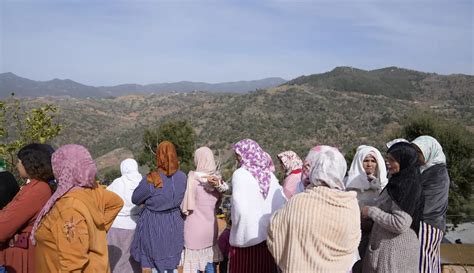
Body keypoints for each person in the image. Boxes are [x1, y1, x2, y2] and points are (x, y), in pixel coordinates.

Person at [268, 145, 361, 273]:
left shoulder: (298, 201)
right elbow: (353, 240)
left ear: (315, 170)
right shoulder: (350, 203)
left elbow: (275, 231)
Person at [31, 144, 124, 273]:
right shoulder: (93, 190)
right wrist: (95, 233)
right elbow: (116, 202)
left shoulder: (69, 206)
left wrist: (92, 233)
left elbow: (72, 264)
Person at [361, 142, 423, 273]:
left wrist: (371, 211)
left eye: (392, 160)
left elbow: (400, 223)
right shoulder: (397, 182)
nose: (388, 163)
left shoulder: (406, 186)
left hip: (395, 258)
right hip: (387, 255)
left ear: (405, 161)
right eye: (387, 159)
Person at [228, 139, 286, 273]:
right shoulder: (270, 176)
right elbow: (281, 204)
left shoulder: (240, 174)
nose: (236, 158)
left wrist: (235, 227)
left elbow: (239, 210)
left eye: (237, 154)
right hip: (268, 241)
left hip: (246, 241)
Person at [131, 141, 187, 273]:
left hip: (154, 224)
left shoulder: (151, 179)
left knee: (150, 261)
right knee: (174, 256)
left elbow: (135, 199)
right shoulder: (182, 177)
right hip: (175, 221)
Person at [0, 144, 54, 273]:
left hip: (24, 257)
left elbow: (4, 226)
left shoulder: (37, 190)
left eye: (19, 162)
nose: (17, 165)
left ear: (30, 163)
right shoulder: (35, 187)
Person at [180, 147, 228, 273]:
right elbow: (218, 203)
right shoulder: (217, 182)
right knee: (209, 265)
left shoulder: (192, 179)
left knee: (193, 267)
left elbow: (184, 206)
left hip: (193, 231)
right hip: (210, 230)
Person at [345, 145, 388, 273]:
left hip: (378, 235)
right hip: (354, 235)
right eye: (366, 160)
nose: (369, 164)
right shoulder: (347, 185)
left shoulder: (384, 185)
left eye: (373, 161)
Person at [411, 135, 450, 273]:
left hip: (427, 225)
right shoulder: (425, 170)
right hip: (425, 224)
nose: (415, 156)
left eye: (418, 152)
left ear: (429, 151)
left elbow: (428, 204)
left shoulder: (437, 173)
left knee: (423, 265)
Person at [107, 158, 143, 273]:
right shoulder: (142, 181)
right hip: (136, 223)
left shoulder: (118, 183)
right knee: (134, 259)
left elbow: (105, 199)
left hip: (117, 225)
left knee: (117, 259)